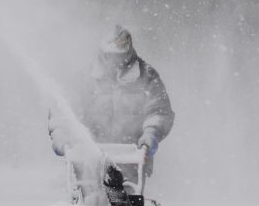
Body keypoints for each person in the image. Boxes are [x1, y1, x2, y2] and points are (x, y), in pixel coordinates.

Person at [49, 25, 174, 179]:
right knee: (90, 197)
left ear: (128, 52)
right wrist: (61, 135)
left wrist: (151, 134)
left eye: (120, 56)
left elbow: (158, 110)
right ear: (103, 53)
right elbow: (64, 110)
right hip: (88, 159)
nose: (116, 62)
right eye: (111, 56)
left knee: (128, 197)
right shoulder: (84, 78)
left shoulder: (146, 76)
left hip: (132, 159)